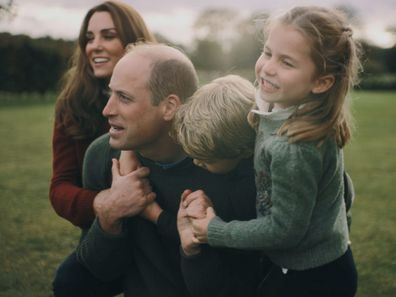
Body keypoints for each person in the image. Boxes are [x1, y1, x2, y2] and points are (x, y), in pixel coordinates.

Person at [182, 6, 361, 297]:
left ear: (321, 82)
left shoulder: (294, 148)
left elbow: (284, 231)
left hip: (311, 278)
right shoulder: (284, 105)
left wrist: (215, 230)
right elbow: (343, 188)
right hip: (318, 261)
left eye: (287, 62)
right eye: (267, 52)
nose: (267, 67)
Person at [76, 42, 263, 297]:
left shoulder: (229, 161)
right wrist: (110, 213)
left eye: (124, 98)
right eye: (111, 94)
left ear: (169, 106)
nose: (107, 110)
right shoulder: (102, 156)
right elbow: (101, 271)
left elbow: (247, 279)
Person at [49, 1, 156, 296]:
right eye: (89, 38)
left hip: (159, 235)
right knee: (69, 283)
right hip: (104, 233)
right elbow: (60, 188)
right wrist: (107, 203)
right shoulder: (72, 105)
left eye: (108, 35)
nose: (95, 45)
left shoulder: (163, 92)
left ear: (134, 42)